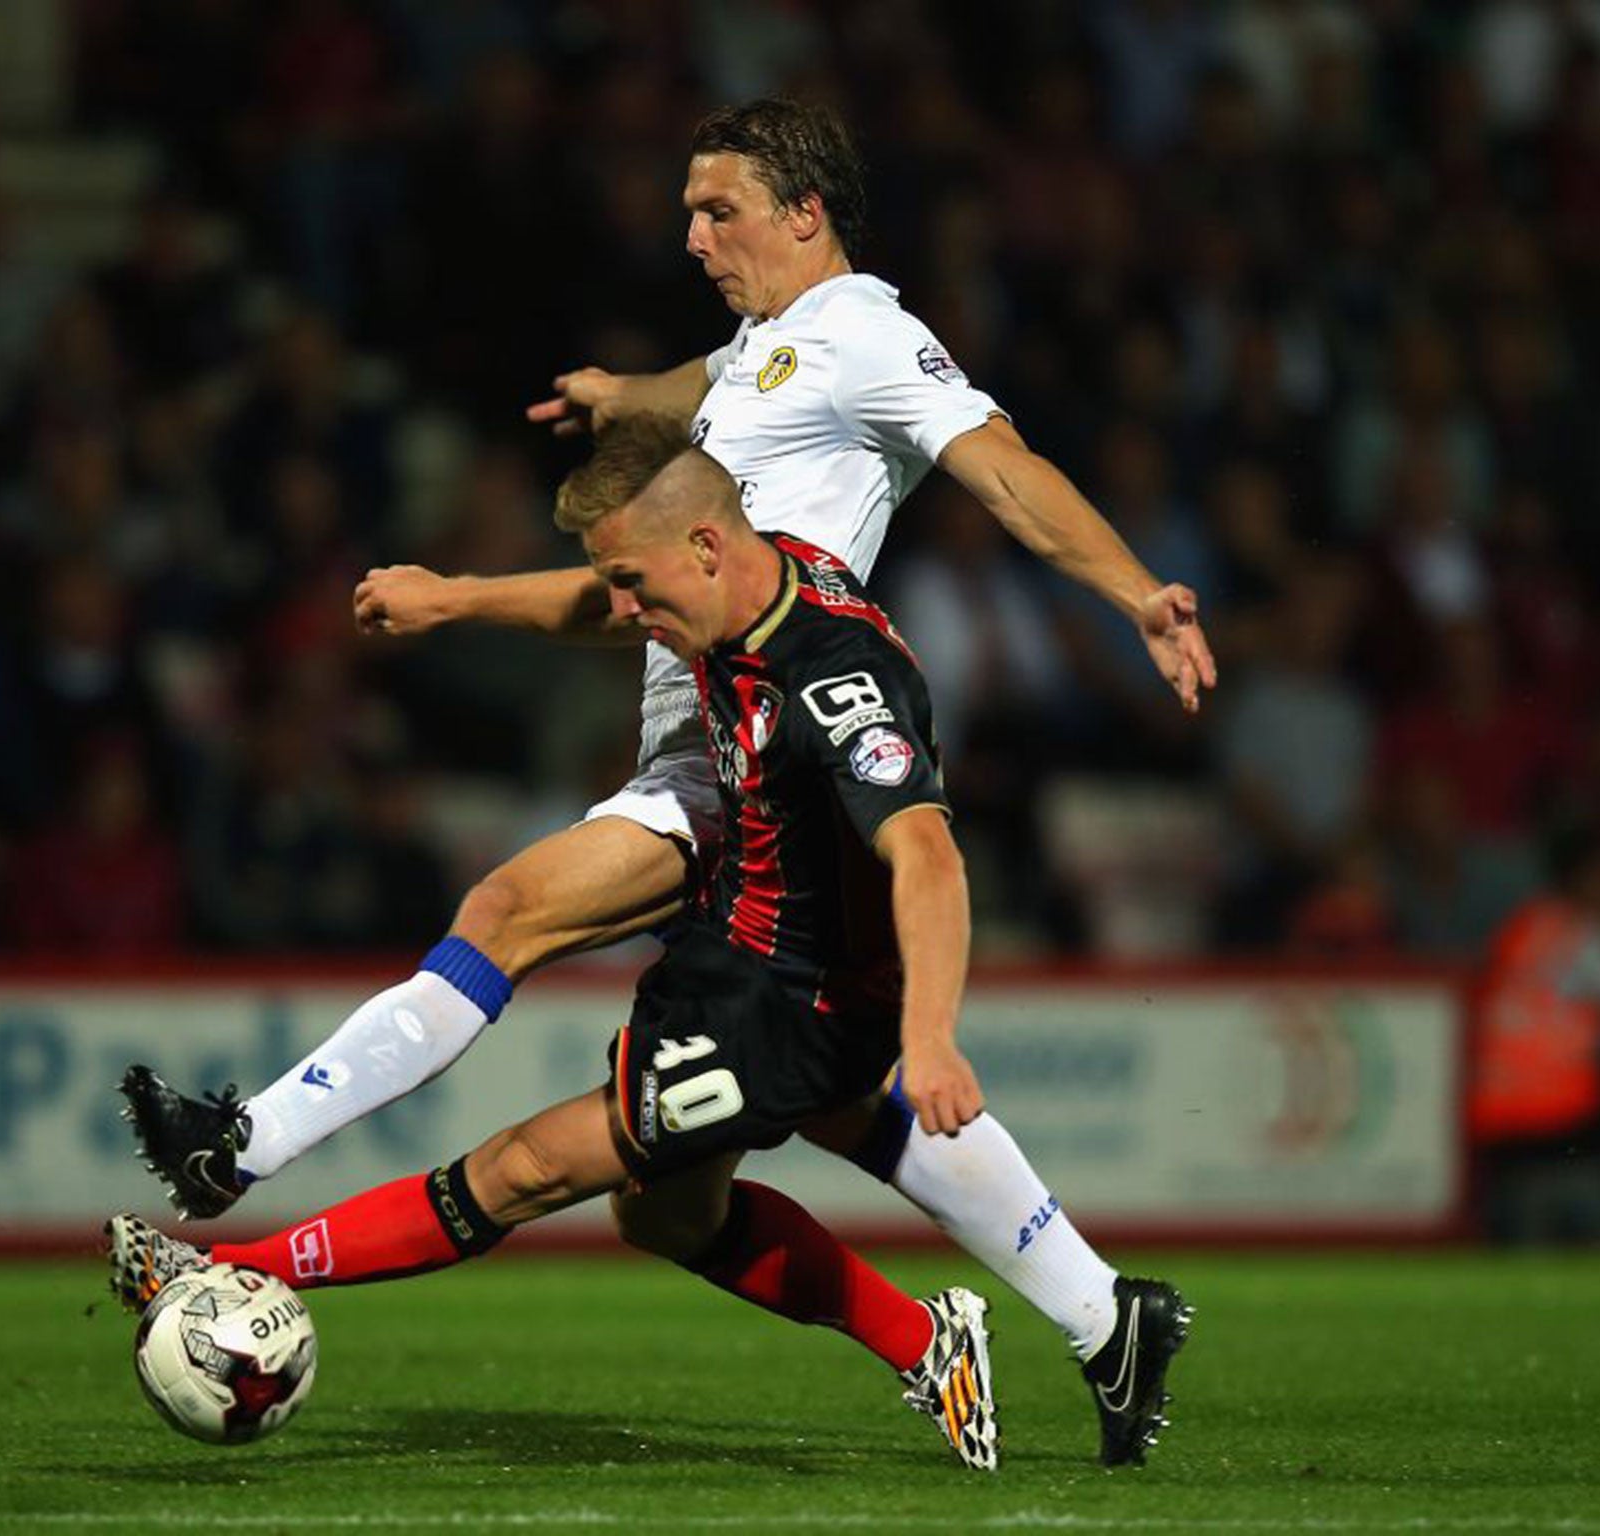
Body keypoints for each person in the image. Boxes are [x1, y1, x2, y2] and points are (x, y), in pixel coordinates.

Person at [124, 98, 1204, 1467]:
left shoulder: (870, 335)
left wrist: (1137, 600)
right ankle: (1097, 1314)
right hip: (704, 745)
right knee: (752, 1146)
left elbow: (1008, 473)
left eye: (720, 211)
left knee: (514, 929)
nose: (692, 236)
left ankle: (243, 1154)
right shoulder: (768, 352)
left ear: (805, 212)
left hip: (756, 767)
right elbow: (659, 517)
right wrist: (621, 402)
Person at [114, 424, 1004, 1470]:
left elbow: (931, 860)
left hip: (794, 1007)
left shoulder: (835, 680)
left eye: (632, 581)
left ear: (708, 547)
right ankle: (926, 1339)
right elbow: (593, 603)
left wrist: (931, 1039)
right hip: (731, 956)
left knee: (524, 1168)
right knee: (664, 1219)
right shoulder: (750, 583)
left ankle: (222, 1267)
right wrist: (452, 600)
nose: (624, 612)